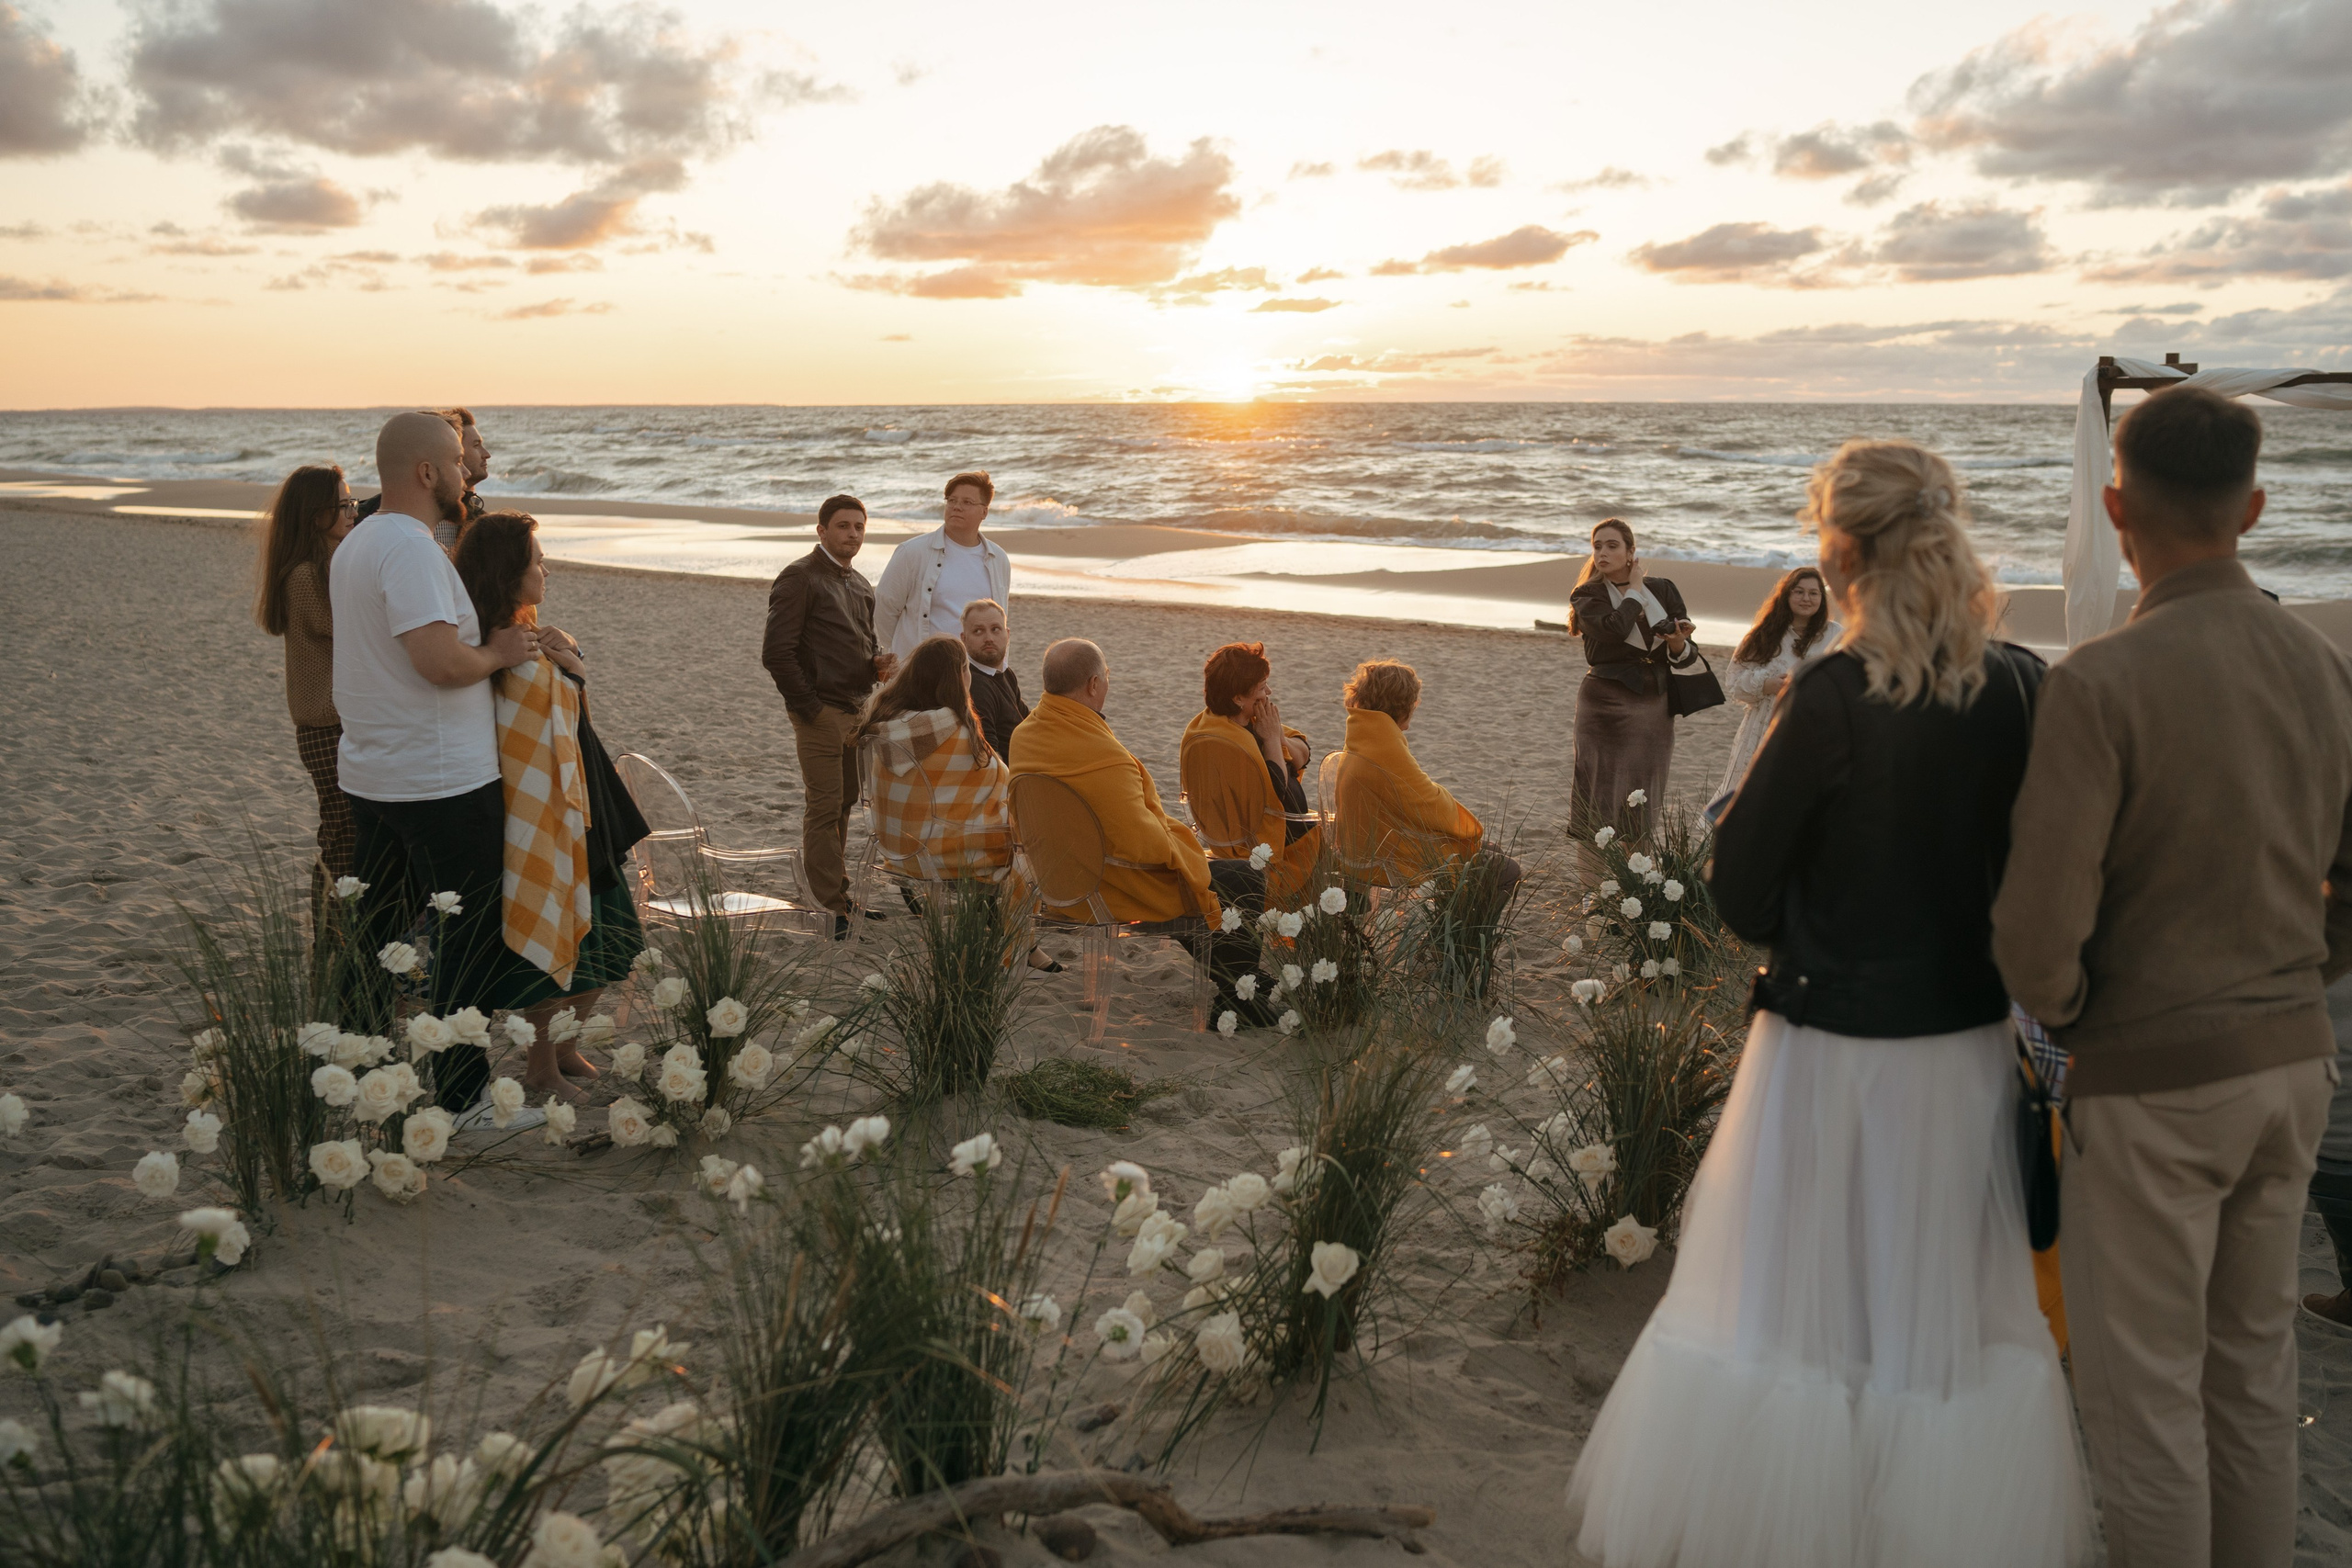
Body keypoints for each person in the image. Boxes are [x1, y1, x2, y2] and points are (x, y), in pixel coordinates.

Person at [1567, 440, 2091, 1567]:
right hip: (1960, 1041)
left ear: (1839, 552)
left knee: (1794, 1302)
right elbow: (2043, 872)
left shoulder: (1837, 692)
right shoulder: (2020, 683)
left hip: (1826, 1042)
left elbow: (1743, 892)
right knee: (1930, 1303)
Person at [1992, 386, 2352, 1568]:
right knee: (2250, 1376)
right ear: (2251, 508)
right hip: (2293, 1062)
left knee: (2144, 1400)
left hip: (2152, 1077)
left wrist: (2079, 1015)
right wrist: (2302, 974)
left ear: (2113, 506)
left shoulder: (2099, 680)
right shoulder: (2322, 667)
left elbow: (2037, 933)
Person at [334, 412, 541, 1122]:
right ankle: (462, 1099)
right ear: (427, 472)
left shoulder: (357, 543)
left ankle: (360, 1073)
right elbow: (439, 661)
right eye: (456, 459)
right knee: (466, 941)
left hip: (376, 772)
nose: (464, 470)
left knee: (376, 937)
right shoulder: (413, 551)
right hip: (439, 780)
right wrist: (500, 655)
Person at [454, 513, 651, 1101]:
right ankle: (539, 1067)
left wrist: (573, 662)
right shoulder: (494, 645)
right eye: (537, 560)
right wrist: (564, 669)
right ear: (509, 573)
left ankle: (564, 1049)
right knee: (554, 935)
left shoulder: (531, 634)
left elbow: (571, 717)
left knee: (614, 933)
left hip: (582, 803)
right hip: (537, 813)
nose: (546, 568)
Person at [1008, 638, 1272, 1021]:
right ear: (1094, 685)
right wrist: (1183, 850)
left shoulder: (1026, 735)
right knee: (1240, 877)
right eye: (1108, 677)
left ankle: (1241, 984)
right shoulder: (1102, 754)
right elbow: (1143, 844)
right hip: (1104, 889)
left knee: (1210, 877)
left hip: (1055, 882)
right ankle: (1238, 997)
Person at [763, 493, 897, 939]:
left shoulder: (860, 584)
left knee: (843, 804)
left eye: (859, 527)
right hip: (820, 713)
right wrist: (811, 708)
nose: (852, 534)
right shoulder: (800, 577)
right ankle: (827, 907)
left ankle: (837, 895)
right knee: (823, 808)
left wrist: (876, 663)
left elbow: (860, 644)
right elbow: (777, 654)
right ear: (822, 531)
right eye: (843, 526)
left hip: (857, 712)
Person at [254, 462, 361, 927]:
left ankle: (337, 941)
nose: (353, 513)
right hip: (326, 729)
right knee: (341, 843)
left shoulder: (324, 564)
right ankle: (332, 944)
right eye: (343, 505)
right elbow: (351, 628)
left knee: (343, 839)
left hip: (331, 728)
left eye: (352, 503)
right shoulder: (305, 575)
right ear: (315, 514)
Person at [1329, 660, 1514, 895]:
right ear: (1403, 706)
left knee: (1490, 852)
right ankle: (1457, 931)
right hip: (1383, 861)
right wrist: (1467, 825)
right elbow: (1428, 804)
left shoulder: (1361, 735)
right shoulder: (1384, 747)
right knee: (1506, 870)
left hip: (1357, 851)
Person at [1567, 518, 1698, 826]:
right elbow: (1615, 629)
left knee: (1644, 793)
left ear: (1630, 552)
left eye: (1612, 546)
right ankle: (1592, 874)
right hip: (1604, 703)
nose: (1603, 552)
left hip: (1654, 703)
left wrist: (1678, 642)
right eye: (1597, 546)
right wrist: (1636, 590)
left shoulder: (1663, 589)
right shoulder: (1587, 595)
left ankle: (1634, 874)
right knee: (1596, 795)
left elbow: (1689, 656)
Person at [1180, 641, 1320, 906]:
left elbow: (1305, 753)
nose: (1268, 692)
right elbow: (1280, 791)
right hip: (1266, 850)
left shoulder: (1231, 723)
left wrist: (1277, 736)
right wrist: (1271, 741)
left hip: (1260, 835)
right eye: (1261, 688)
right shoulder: (1231, 743)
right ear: (1238, 698)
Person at [1718, 565, 1840, 794]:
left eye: (1813, 593)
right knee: (1754, 793)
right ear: (1787, 595)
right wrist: (1767, 685)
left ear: (1822, 598)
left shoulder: (1836, 635)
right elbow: (1734, 682)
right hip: (1764, 726)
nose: (1806, 598)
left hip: (1815, 726)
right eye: (1799, 591)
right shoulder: (1763, 634)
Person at [875, 470, 1013, 660]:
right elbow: (884, 608)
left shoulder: (998, 558)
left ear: (984, 512)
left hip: (978, 671)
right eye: (952, 500)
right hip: (925, 669)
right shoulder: (912, 552)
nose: (957, 507)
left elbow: (998, 620)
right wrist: (905, 658)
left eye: (967, 502)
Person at [356, 408, 490, 547]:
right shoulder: (362, 521)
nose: (487, 454)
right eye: (457, 460)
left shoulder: (480, 525)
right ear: (427, 471)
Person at [959, 598, 1029, 761]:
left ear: (1007, 634)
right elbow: (989, 755)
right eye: (978, 631)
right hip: (1013, 776)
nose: (988, 638)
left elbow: (1027, 719)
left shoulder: (1005, 673)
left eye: (995, 629)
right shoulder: (975, 684)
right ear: (964, 638)